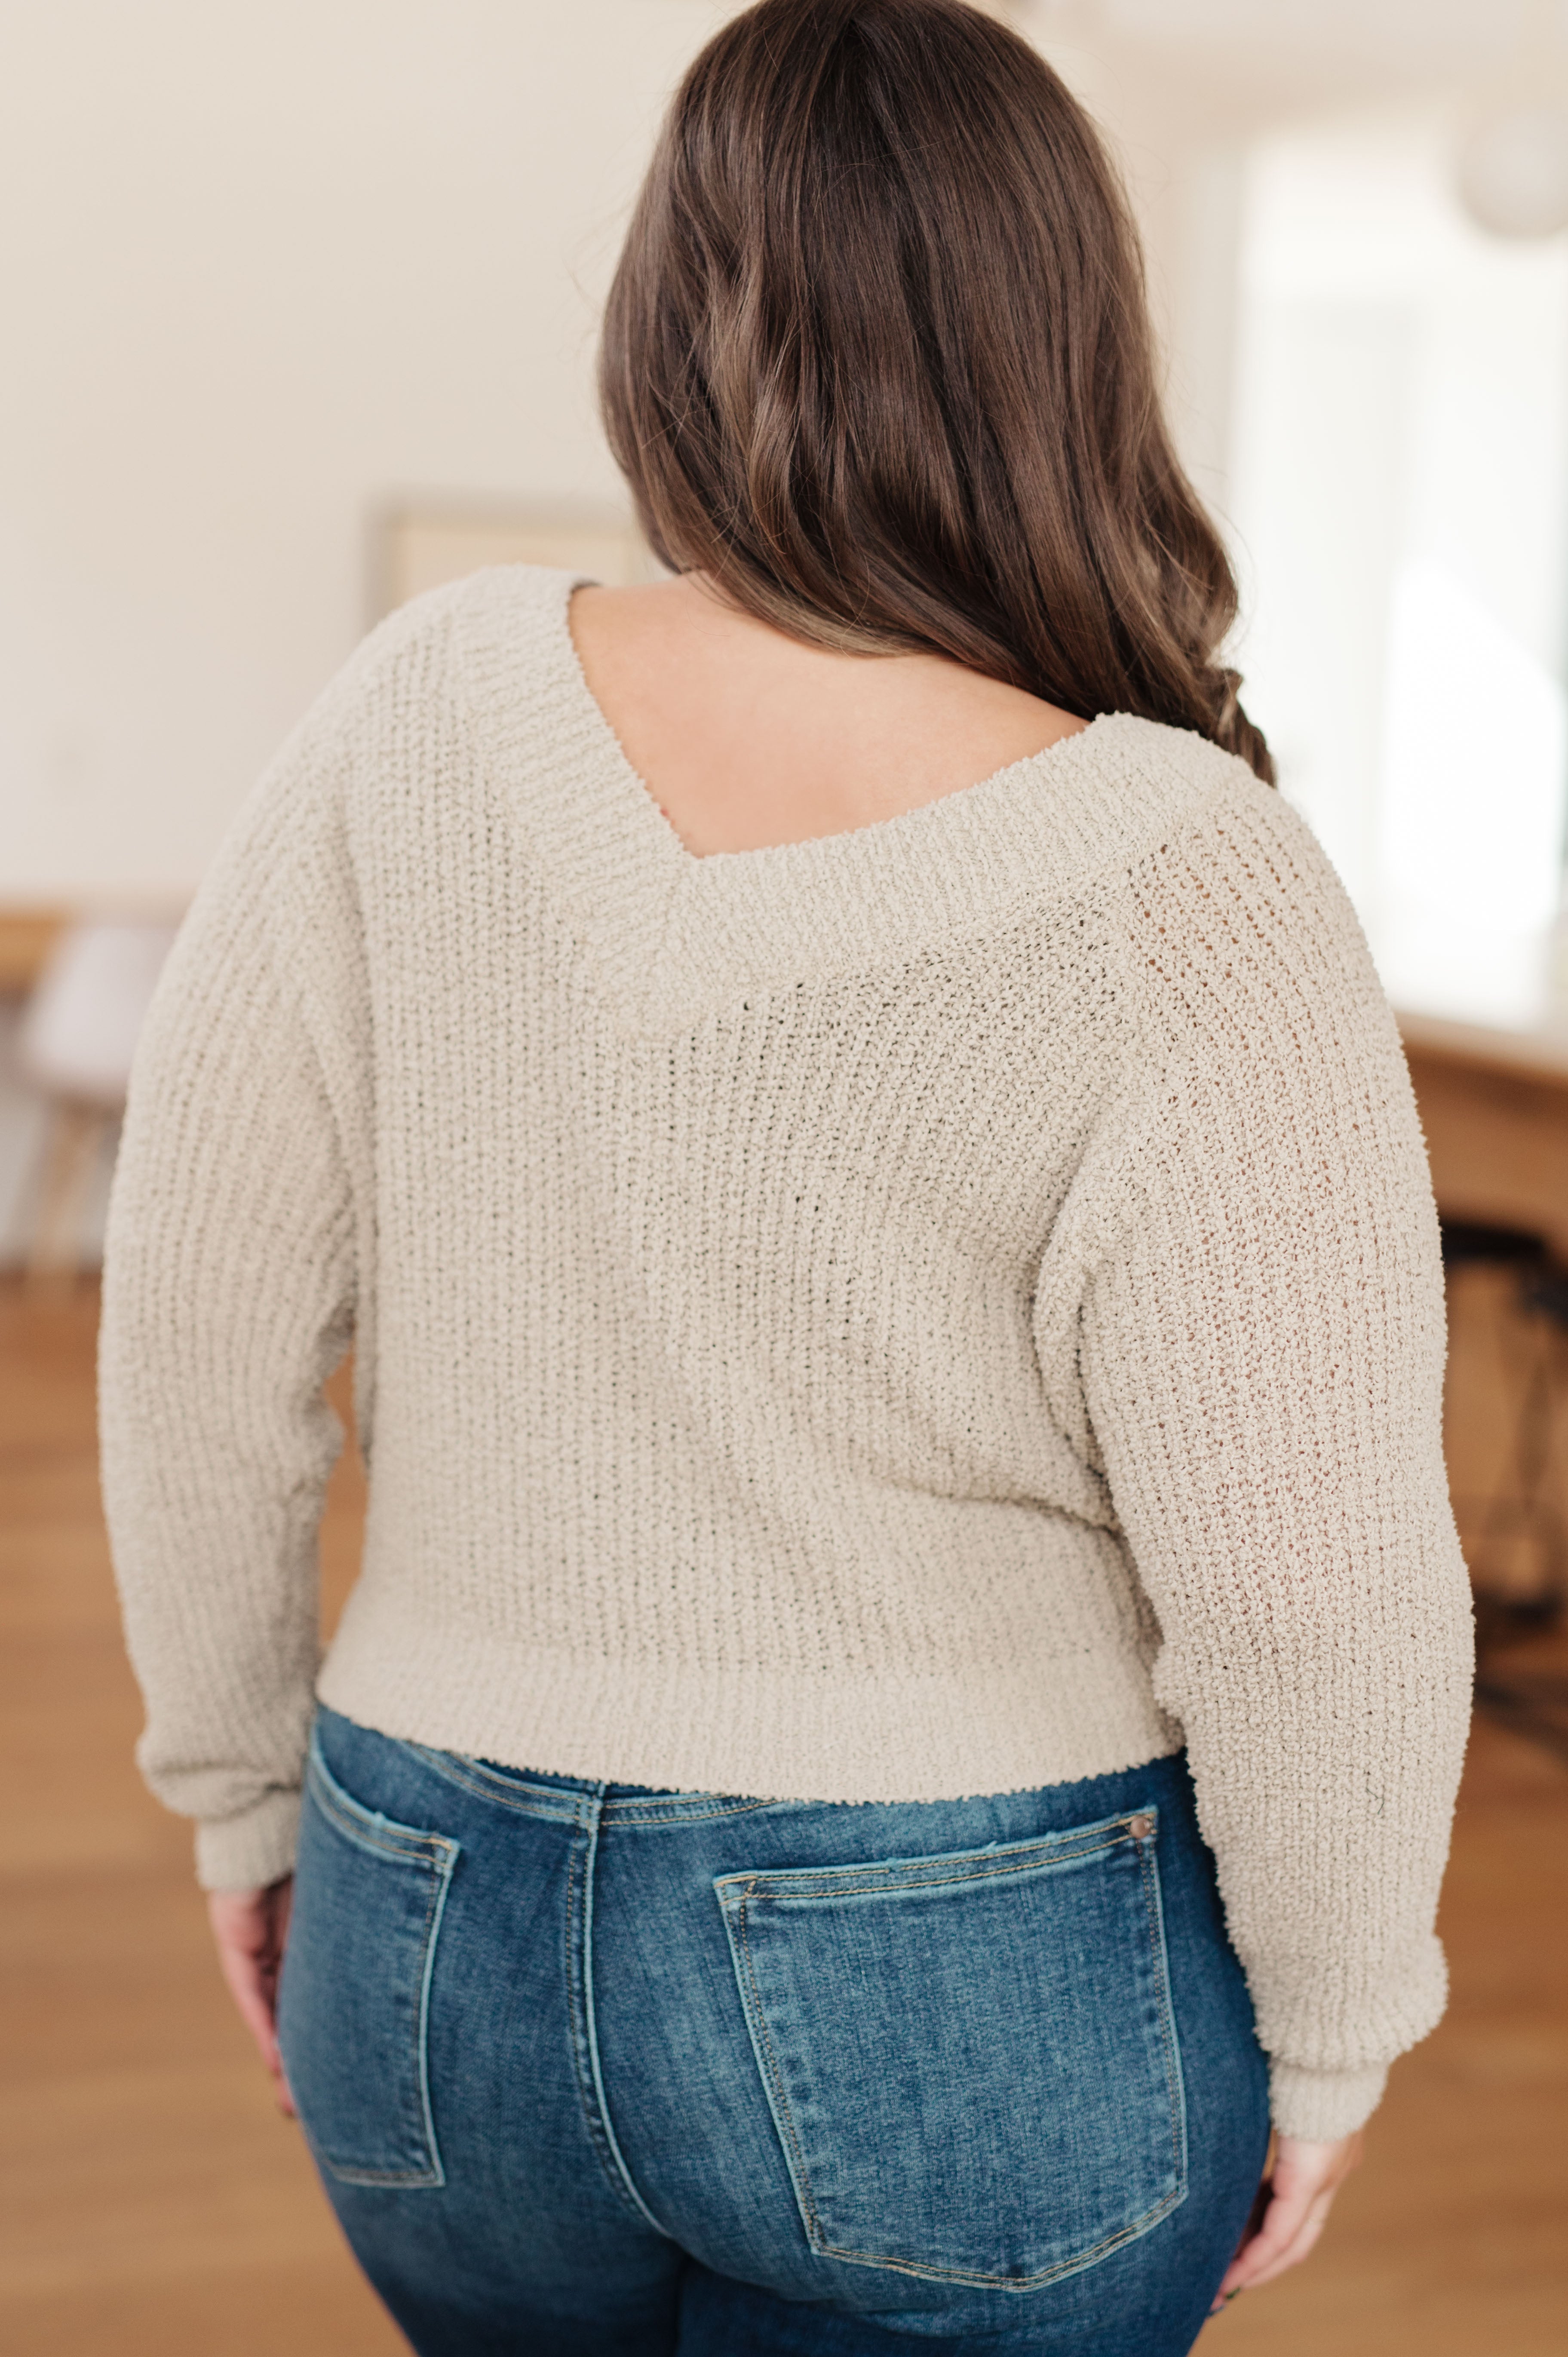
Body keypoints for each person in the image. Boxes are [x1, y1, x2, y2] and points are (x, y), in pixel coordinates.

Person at [98, 3, 1474, 2351]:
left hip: (427, 1913)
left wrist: (244, 1803)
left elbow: (198, 1331)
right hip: (975, 1949)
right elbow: (1312, 1584)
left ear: (659, 313)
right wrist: (1342, 2018)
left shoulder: (411, 724)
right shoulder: (1187, 872)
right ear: (1071, 340)